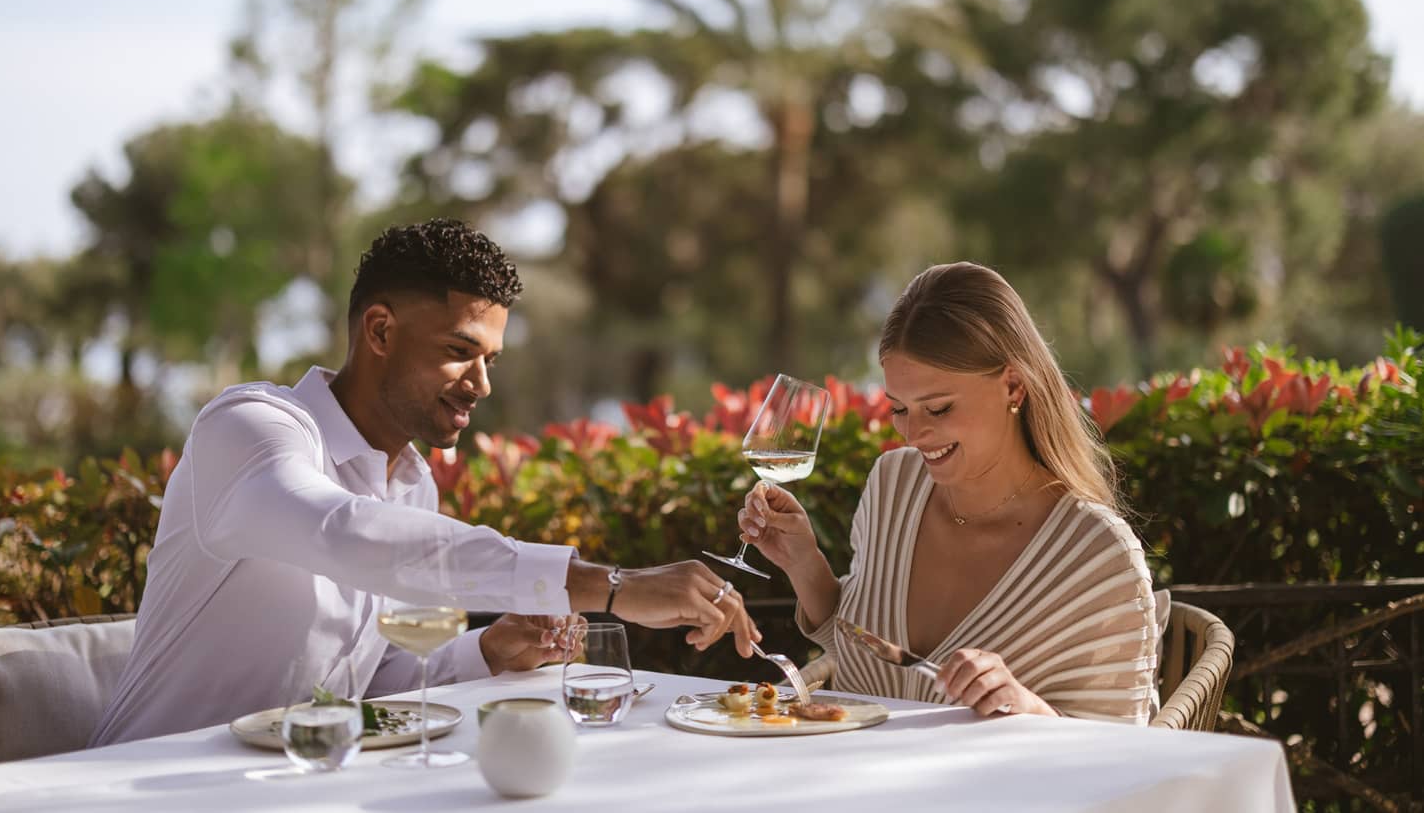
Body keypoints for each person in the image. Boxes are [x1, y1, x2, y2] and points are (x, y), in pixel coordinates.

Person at [91, 219, 757, 746]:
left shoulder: (412, 486)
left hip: (292, 786)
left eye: (489, 359)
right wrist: (612, 584)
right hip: (142, 787)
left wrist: (488, 649)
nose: (483, 384)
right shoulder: (251, 429)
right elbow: (345, 534)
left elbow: (370, 684)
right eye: (458, 351)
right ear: (379, 330)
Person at [736, 262, 1158, 723]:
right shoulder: (893, 485)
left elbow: (1122, 758)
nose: (913, 434)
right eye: (899, 408)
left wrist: (1026, 707)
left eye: (937, 408)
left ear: (1013, 386)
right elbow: (863, 658)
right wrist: (803, 563)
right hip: (850, 782)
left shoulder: (1096, 555)